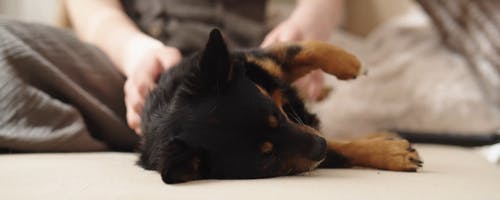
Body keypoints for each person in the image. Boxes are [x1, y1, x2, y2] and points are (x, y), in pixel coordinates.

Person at [0, 0, 343, 152]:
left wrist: (310, 23)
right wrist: (136, 54)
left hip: (242, 77)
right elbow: (93, 9)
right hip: (129, 67)